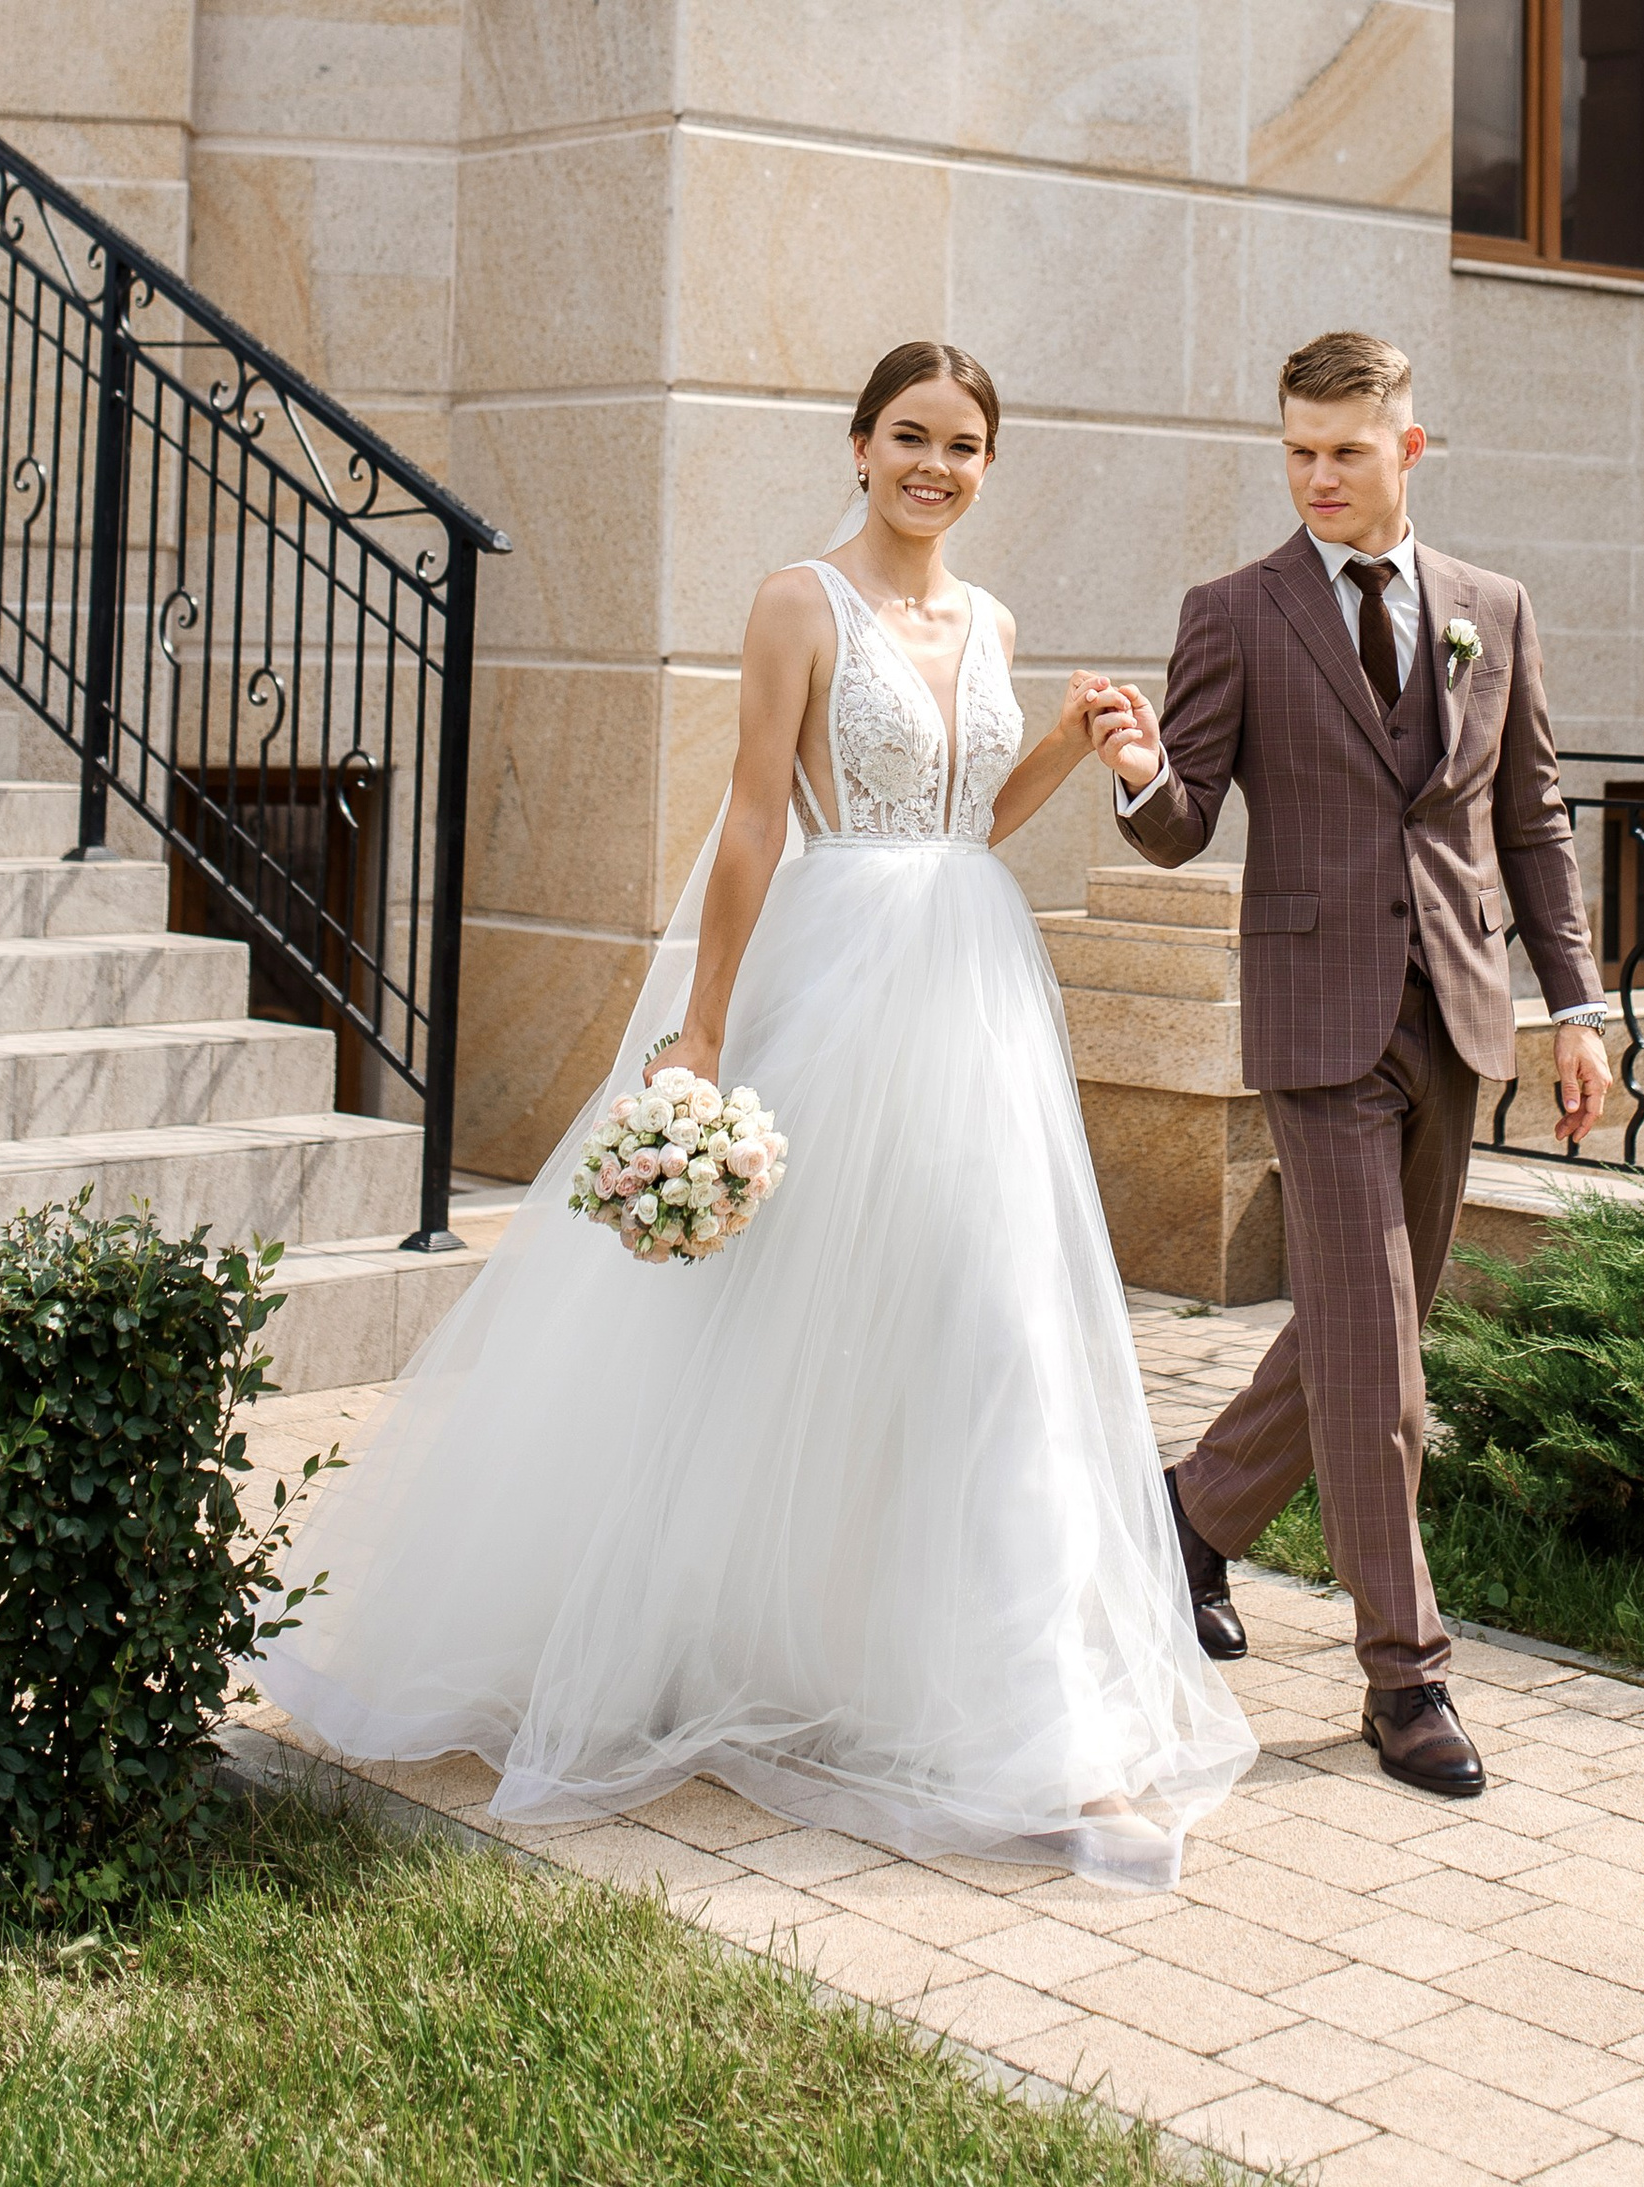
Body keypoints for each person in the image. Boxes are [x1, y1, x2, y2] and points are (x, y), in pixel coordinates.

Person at [254, 340, 1254, 1888]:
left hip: (977, 1000)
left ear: (989, 467)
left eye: (966, 445)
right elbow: (754, 817)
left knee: (995, 1329)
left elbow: (965, 823)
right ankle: (695, 1629)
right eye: (911, 436)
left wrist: (1065, 738)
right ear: (858, 447)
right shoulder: (801, 600)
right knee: (778, 1325)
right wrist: (699, 1028)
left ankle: (1039, 1722)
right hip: (838, 988)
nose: (937, 464)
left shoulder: (988, 617)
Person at [1088, 328, 1612, 1802]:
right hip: (1317, 1026)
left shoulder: (1490, 610)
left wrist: (1576, 1006)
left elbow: (1535, 820)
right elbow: (1185, 820)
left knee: (1359, 1328)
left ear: (1409, 450)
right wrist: (1138, 770)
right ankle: (1407, 1679)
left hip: (1453, 1013)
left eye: (1346, 452)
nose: (1318, 478)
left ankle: (1186, 1524)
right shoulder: (1237, 613)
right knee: (1380, 1357)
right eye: (1297, 452)